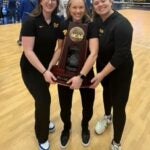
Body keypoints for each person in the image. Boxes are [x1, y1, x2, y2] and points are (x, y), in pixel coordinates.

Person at [54, 0, 98, 148]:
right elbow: (60, 49)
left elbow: (93, 53)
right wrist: (49, 68)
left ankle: (85, 126)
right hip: (65, 72)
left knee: (88, 105)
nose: (78, 11)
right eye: (74, 7)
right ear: (69, 8)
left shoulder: (91, 25)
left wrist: (81, 76)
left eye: (81, 7)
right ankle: (66, 127)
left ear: (85, 8)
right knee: (64, 107)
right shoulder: (63, 24)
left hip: (85, 74)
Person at [90, 0, 134, 150]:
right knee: (107, 93)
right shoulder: (95, 21)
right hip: (103, 67)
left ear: (111, 1)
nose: (100, 5)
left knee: (119, 105)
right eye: (96, 3)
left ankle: (116, 143)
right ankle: (107, 117)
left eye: (103, 1)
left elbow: (121, 55)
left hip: (121, 71)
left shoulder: (123, 25)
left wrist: (101, 74)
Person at [20, 0, 62, 150]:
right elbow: (28, 51)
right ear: (40, 2)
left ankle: (44, 119)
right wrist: (44, 71)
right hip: (31, 69)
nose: (50, 2)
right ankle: (41, 136)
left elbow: (59, 48)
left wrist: (50, 67)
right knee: (44, 99)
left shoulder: (58, 22)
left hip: (47, 68)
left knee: (42, 99)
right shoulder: (30, 21)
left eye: (54, 0)